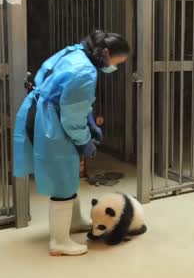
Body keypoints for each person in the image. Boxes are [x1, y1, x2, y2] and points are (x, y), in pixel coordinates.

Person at [13, 30, 130, 256]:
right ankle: (59, 242)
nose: (117, 66)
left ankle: (73, 222)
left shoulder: (75, 52)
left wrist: (88, 121)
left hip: (45, 112)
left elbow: (67, 97)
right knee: (63, 180)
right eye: (119, 62)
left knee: (68, 175)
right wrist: (84, 140)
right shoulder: (84, 72)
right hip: (52, 122)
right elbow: (72, 118)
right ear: (106, 53)